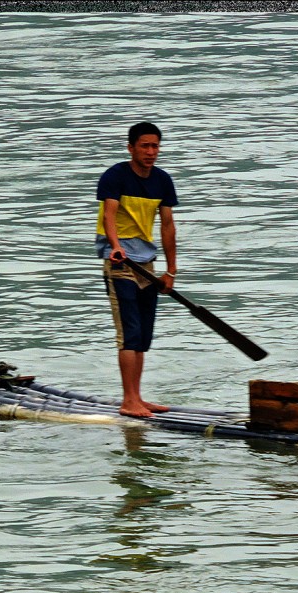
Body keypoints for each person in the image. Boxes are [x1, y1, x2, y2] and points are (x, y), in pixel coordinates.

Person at [95, 122, 179, 418]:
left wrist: (170, 271)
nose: (151, 152)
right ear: (131, 148)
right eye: (144, 146)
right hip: (119, 262)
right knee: (129, 333)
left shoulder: (162, 181)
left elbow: (168, 226)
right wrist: (115, 245)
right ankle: (129, 400)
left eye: (155, 146)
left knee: (143, 334)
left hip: (146, 263)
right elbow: (109, 214)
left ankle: (138, 397)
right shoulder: (115, 175)